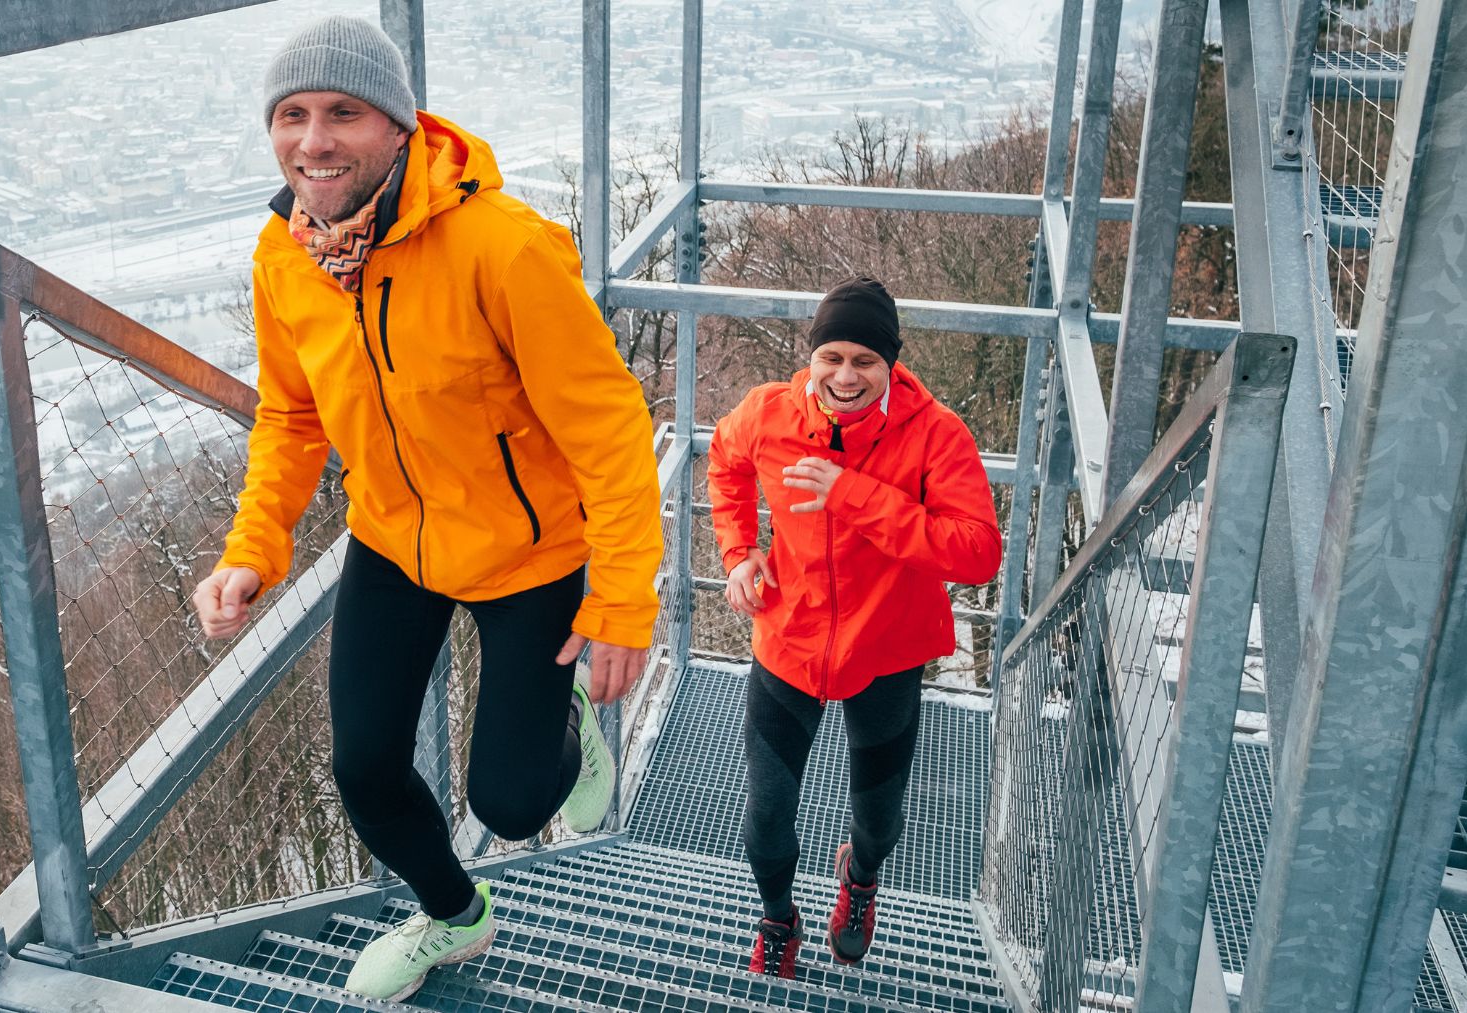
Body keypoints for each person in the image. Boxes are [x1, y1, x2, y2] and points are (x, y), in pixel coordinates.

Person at [191, 16, 661, 1002]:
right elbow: (289, 413)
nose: (313, 141)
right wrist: (253, 547)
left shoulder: (503, 247)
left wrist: (619, 601)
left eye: (342, 114)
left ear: (398, 127)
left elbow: (610, 422)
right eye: (291, 116)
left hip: (530, 550)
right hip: (394, 539)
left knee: (513, 796)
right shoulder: (284, 256)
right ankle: (458, 916)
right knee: (363, 769)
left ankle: (566, 723)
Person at [706, 276, 1001, 978]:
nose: (845, 375)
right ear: (811, 358)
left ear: (891, 364)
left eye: (864, 361)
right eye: (831, 356)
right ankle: (779, 919)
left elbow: (978, 552)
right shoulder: (767, 414)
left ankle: (860, 881)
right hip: (789, 640)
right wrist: (739, 551)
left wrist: (854, 495)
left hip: (888, 648)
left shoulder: (936, 433)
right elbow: (725, 462)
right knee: (765, 818)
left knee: (880, 822)